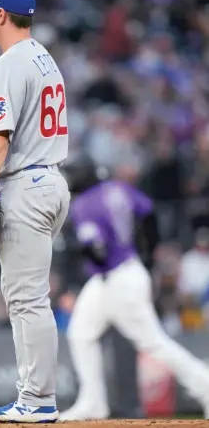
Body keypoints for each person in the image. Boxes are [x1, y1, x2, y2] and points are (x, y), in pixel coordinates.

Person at [0, 0, 70, 423]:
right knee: (27, 297)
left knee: (28, 300)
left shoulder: (9, 63)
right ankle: (33, 396)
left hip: (27, 185)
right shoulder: (45, 59)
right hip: (49, 181)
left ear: (3, 15)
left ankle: (37, 400)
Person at [60, 153, 209, 420]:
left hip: (117, 277)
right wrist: (149, 258)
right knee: (81, 332)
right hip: (121, 272)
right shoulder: (117, 188)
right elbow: (149, 215)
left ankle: (205, 387)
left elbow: (97, 252)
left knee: (154, 342)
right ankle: (92, 401)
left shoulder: (84, 204)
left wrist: (74, 251)